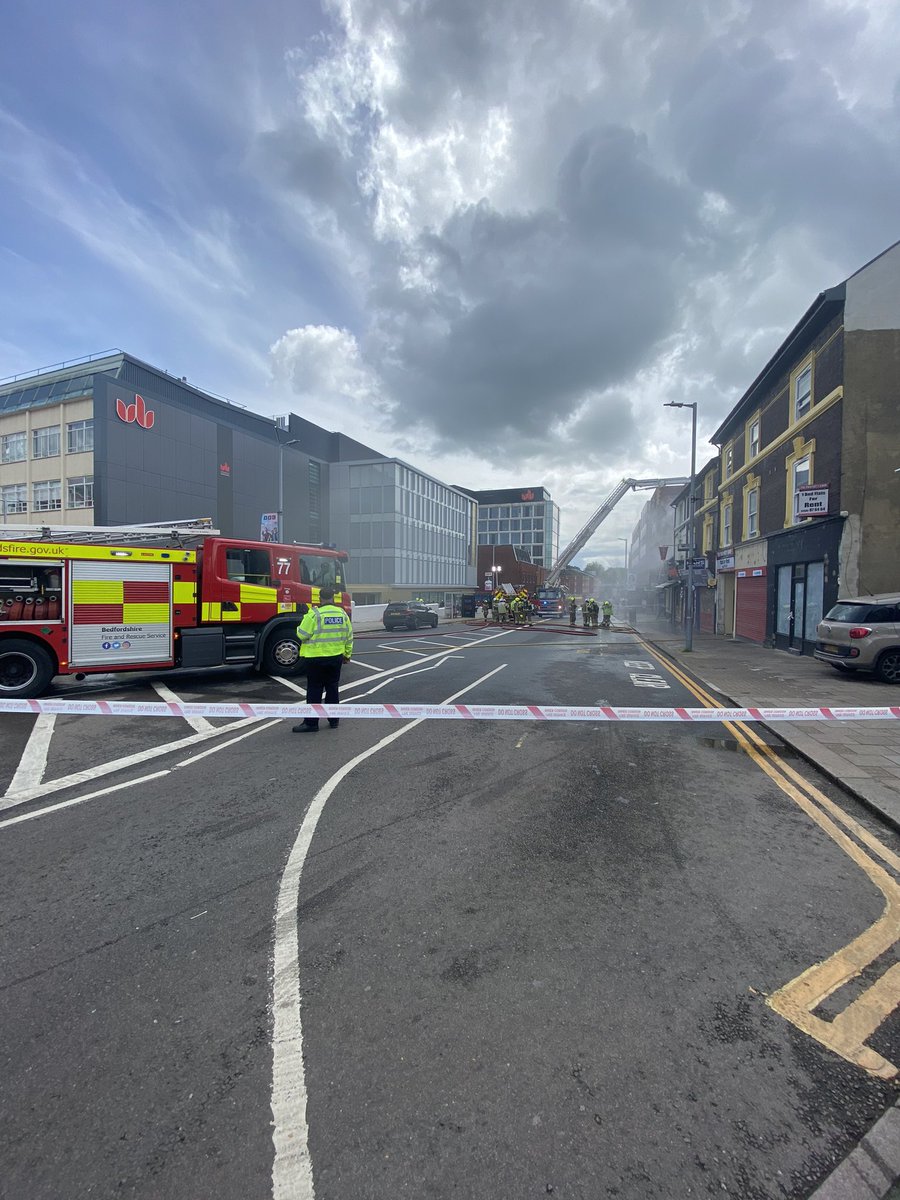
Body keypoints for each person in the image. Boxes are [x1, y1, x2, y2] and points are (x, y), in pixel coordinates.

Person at [291, 587, 354, 733]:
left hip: (316, 658)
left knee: (314, 690)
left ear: (320, 598)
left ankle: (311, 723)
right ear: (333, 598)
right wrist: (347, 654)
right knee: (332, 688)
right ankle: (334, 720)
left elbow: (301, 635)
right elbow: (349, 636)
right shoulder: (342, 614)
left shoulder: (314, 614)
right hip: (335, 657)